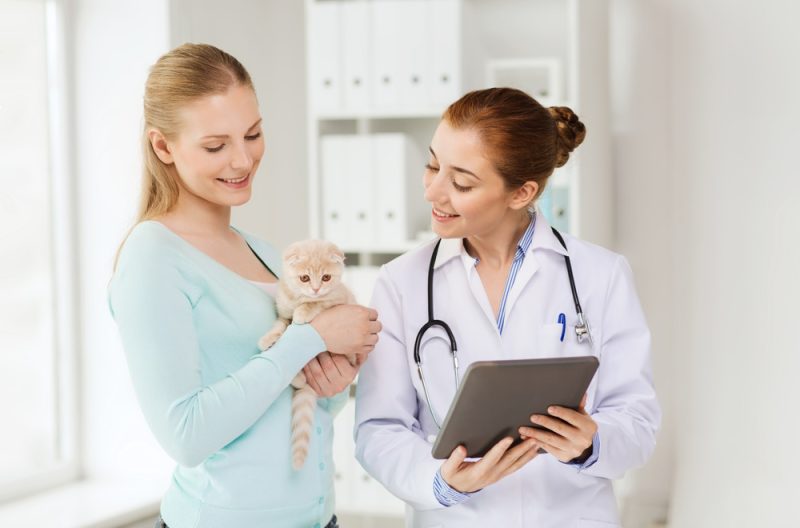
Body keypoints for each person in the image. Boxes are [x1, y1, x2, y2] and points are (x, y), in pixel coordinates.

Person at [354, 87, 660, 527]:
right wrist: (443, 482)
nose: (433, 193)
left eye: (461, 182)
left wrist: (591, 444)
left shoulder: (600, 275)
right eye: (432, 165)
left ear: (521, 193)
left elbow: (637, 418)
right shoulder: (402, 282)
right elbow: (378, 429)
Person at [108, 43, 380, 528]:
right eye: (216, 146)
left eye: (253, 135)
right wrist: (311, 338)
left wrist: (335, 382)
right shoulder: (153, 257)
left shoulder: (266, 253)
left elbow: (286, 407)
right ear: (163, 147)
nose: (242, 160)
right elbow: (186, 435)